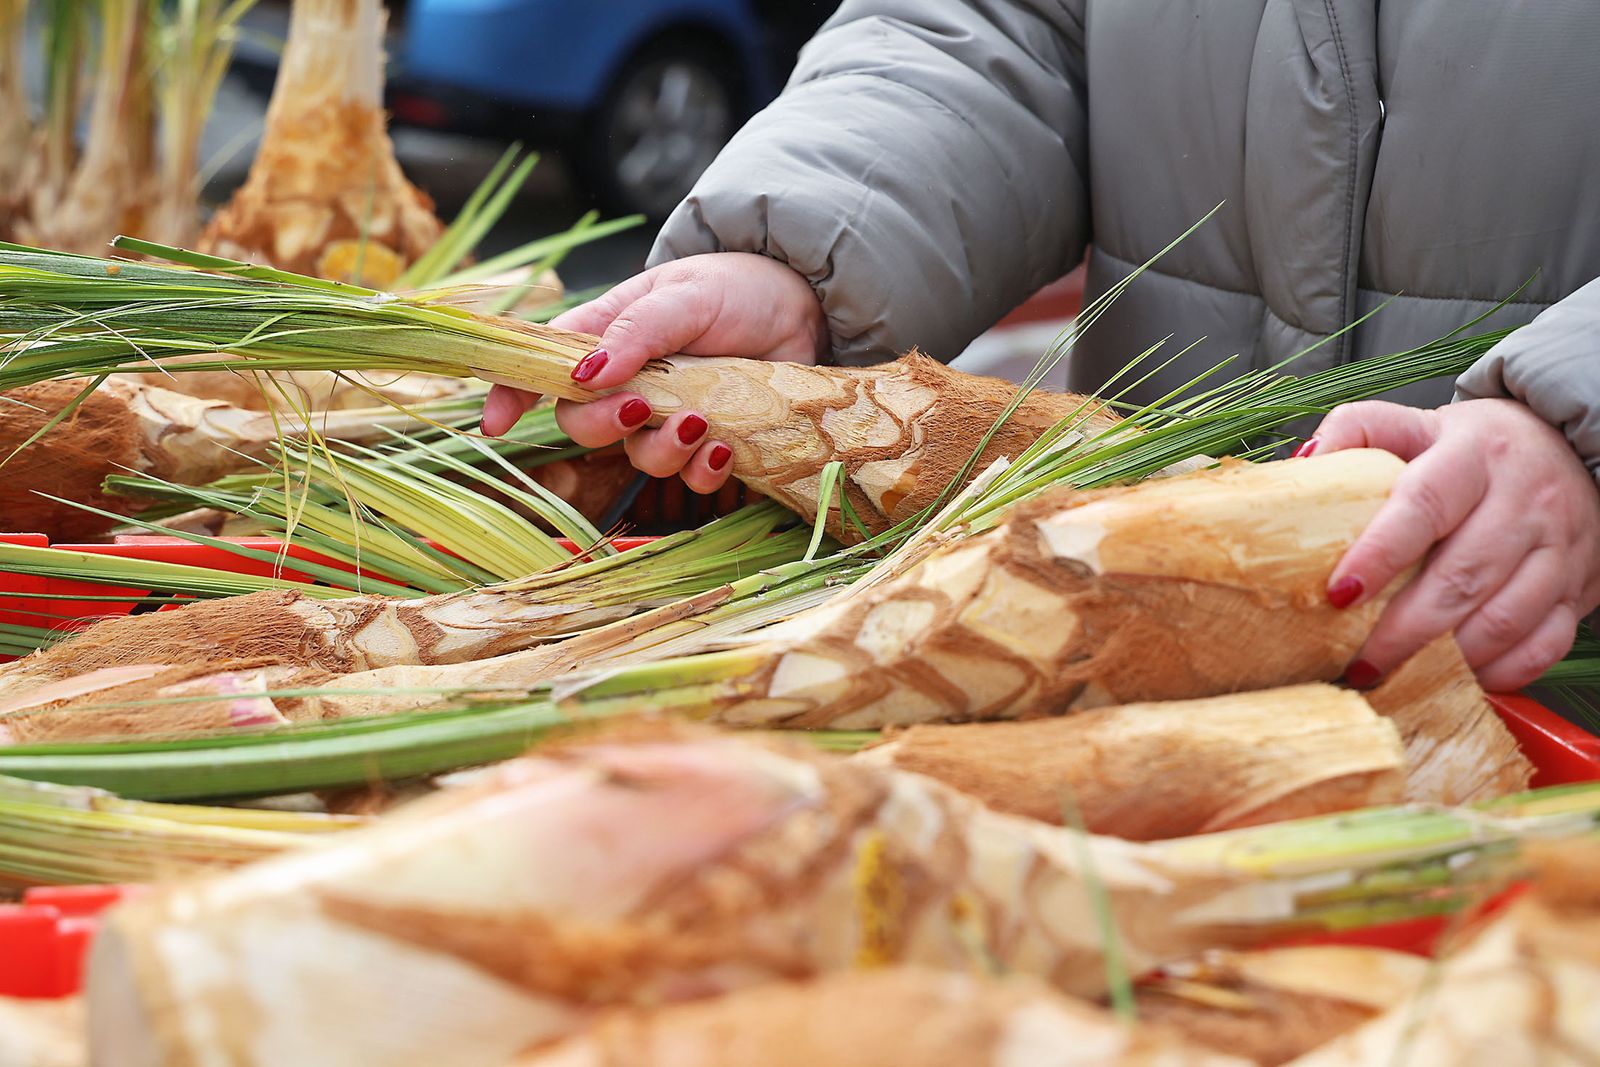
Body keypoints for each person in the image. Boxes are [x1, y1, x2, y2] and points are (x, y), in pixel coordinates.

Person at [483, 1, 1600, 693]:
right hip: (1117, 631)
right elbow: (993, 30)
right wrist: (801, 256)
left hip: (1547, 671)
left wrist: (1573, 416)